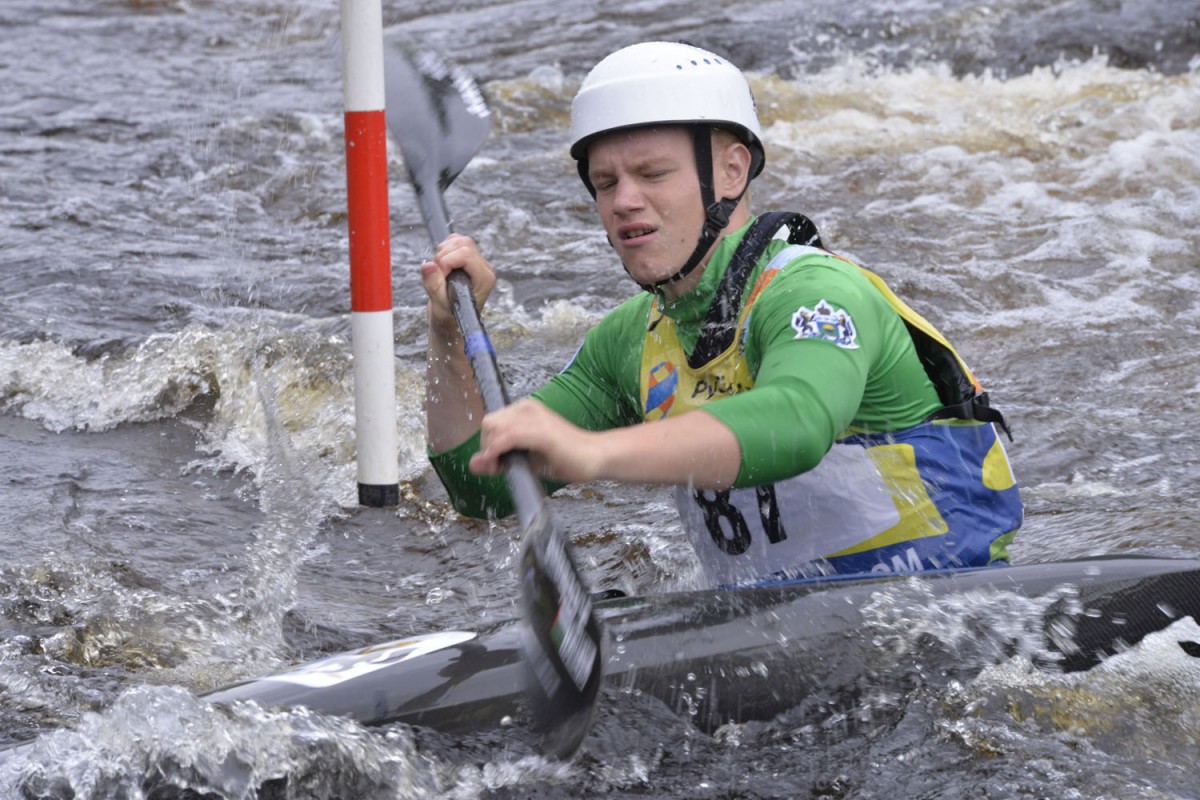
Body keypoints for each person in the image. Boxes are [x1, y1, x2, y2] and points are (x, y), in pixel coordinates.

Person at [420, 41, 1023, 587]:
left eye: (653, 174)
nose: (624, 201)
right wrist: (447, 331)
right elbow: (481, 488)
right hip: (777, 630)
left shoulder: (814, 292)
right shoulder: (628, 339)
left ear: (732, 172)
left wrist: (596, 453)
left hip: (949, 614)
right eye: (605, 183)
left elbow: (799, 422)